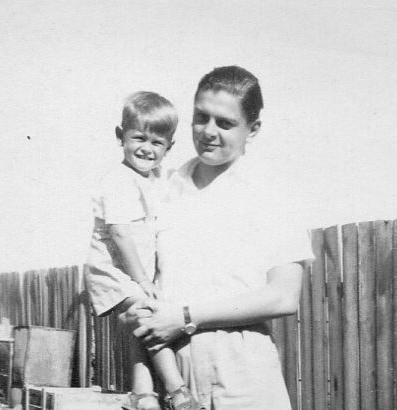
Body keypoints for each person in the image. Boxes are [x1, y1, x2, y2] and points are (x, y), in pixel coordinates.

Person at [122, 66, 315, 410]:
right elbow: (137, 290)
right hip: (174, 371)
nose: (209, 132)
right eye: (201, 117)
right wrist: (145, 388)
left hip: (242, 367)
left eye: (225, 123)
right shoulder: (162, 188)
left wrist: (184, 316)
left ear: (252, 129)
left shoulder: (271, 194)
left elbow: (284, 297)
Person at [85, 91, 203, 410]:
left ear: (169, 147)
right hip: (113, 271)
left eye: (157, 143)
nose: (146, 149)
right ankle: (177, 390)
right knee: (150, 316)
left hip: (128, 271)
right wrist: (143, 281)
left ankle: (144, 395)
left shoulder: (152, 180)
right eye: (138, 138)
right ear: (120, 136)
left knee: (139, 323)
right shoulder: (119, 181)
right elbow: (120, 234)